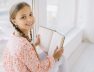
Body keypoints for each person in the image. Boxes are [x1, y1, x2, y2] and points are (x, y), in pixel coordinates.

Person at [3, 2, 63, 72]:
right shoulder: (24, 45)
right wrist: (54, 57)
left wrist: (34, 45)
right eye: (23, 17)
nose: (29, 19)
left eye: (30, 14)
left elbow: (22, 55)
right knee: (61, 58)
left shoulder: (13, 37)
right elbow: (38, 69)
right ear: (14, 21)